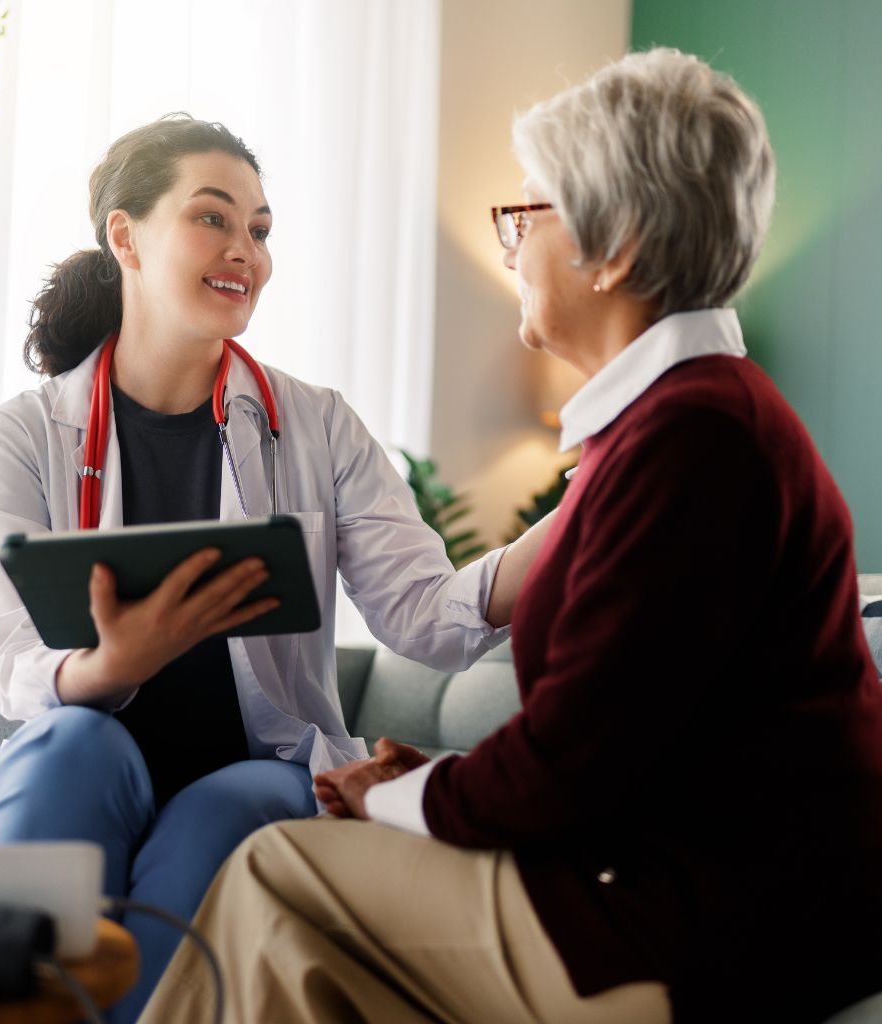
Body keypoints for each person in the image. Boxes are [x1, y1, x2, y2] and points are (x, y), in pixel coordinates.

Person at [139, 49, 882, 1024]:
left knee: (277, 872)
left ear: (613, 247)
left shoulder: (693, 438)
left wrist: (397, 799)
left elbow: (575, 759)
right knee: (311, 955)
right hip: (699, 883)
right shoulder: (684, 423)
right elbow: (622, 731)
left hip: (721, 922)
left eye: (527, 215)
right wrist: (431, 782)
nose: (508, 247)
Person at [0, 115, 549, 1022]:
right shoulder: (27, 434)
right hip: (85, 749)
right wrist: (111, 669)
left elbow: (428, 614)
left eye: (261, 231)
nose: (247, 253)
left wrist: (581, 517)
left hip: (258, 762)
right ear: (126, 236)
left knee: (222, 810)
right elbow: (3, 656)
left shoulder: (317, 425)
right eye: (214, 219)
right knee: (68, 749)